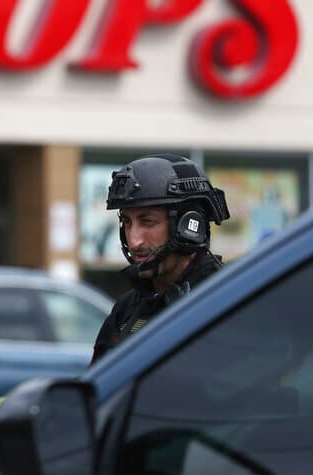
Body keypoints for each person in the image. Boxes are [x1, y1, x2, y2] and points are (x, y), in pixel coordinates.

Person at [91, 154, 230, 363]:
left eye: (147, 221)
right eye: (127, 222)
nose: (134, 240)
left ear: (189, 226)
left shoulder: (226, 300)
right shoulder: (127, 308)